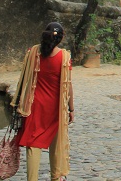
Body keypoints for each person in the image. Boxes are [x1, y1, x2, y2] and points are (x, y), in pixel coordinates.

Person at [13, 22, 74, 181]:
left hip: (34, 104)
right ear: (60, 39)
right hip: (55, 106)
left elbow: (25, 77)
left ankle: (32, 179)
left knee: (33, 143)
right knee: (56, 141)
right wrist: (71, 108)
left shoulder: (33, 52)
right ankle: (56, 176)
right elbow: (68, 85)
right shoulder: (64, 57)